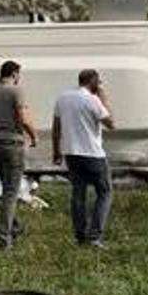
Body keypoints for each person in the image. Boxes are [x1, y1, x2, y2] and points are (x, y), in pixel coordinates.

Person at [0, 60, 39, 250]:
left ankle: (15, 226)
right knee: (11, 191)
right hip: (12, 143)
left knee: (7, 187)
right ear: (14, 74)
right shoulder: (15, 91)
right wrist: (34, 136)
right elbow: (23, 118)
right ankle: (4, 238)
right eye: (19, 75)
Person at [51, 69, 116, 247]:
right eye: (98, 82)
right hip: (93, 154)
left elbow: (56, 128)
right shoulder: (93, 100)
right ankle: (94, 236)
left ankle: (80, 235)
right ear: (93, 82)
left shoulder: (63, 98)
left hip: (71, 153)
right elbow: (112, 124)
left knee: (78, 194)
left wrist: (56, 151)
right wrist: (104, 99)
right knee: (105, 192)